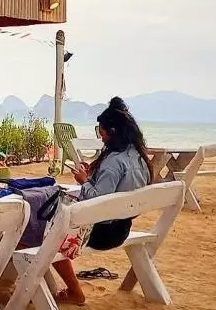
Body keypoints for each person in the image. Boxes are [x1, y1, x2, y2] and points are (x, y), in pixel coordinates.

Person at [55, 97, 153, 305]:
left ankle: (75, 291)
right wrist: (93, 175)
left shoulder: (114, 162)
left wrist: (84, 181)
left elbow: (96, 201)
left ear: (113, 132)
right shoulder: (139, 156)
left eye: (102, 133)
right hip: (123, 225)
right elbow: (112, 189)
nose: (101, 139)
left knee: (43, 231)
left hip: (103, 233)